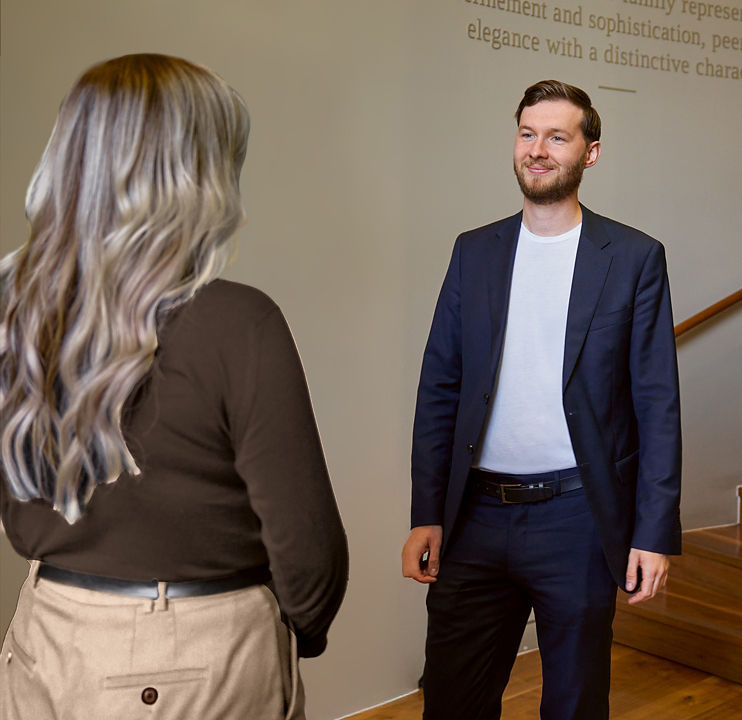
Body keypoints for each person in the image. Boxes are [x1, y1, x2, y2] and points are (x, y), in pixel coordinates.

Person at [0, 54, 348, 720]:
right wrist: (296, 629)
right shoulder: (239, 320)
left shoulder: (10, 309)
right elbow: (307, 552)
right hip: (198, 649)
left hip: (44, 628)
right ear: (195, 179)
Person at [401, 80, 682, 720]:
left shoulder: (634, 258)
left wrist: (653, 532)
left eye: (558, 136)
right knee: (451, 702)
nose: (538, 149)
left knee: (574, 706)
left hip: (578, 519)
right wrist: (427, 511)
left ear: (591, 152)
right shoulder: (474, 251)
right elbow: (439, 385)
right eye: (528, 134)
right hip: (473, 517)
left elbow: (656, 402)